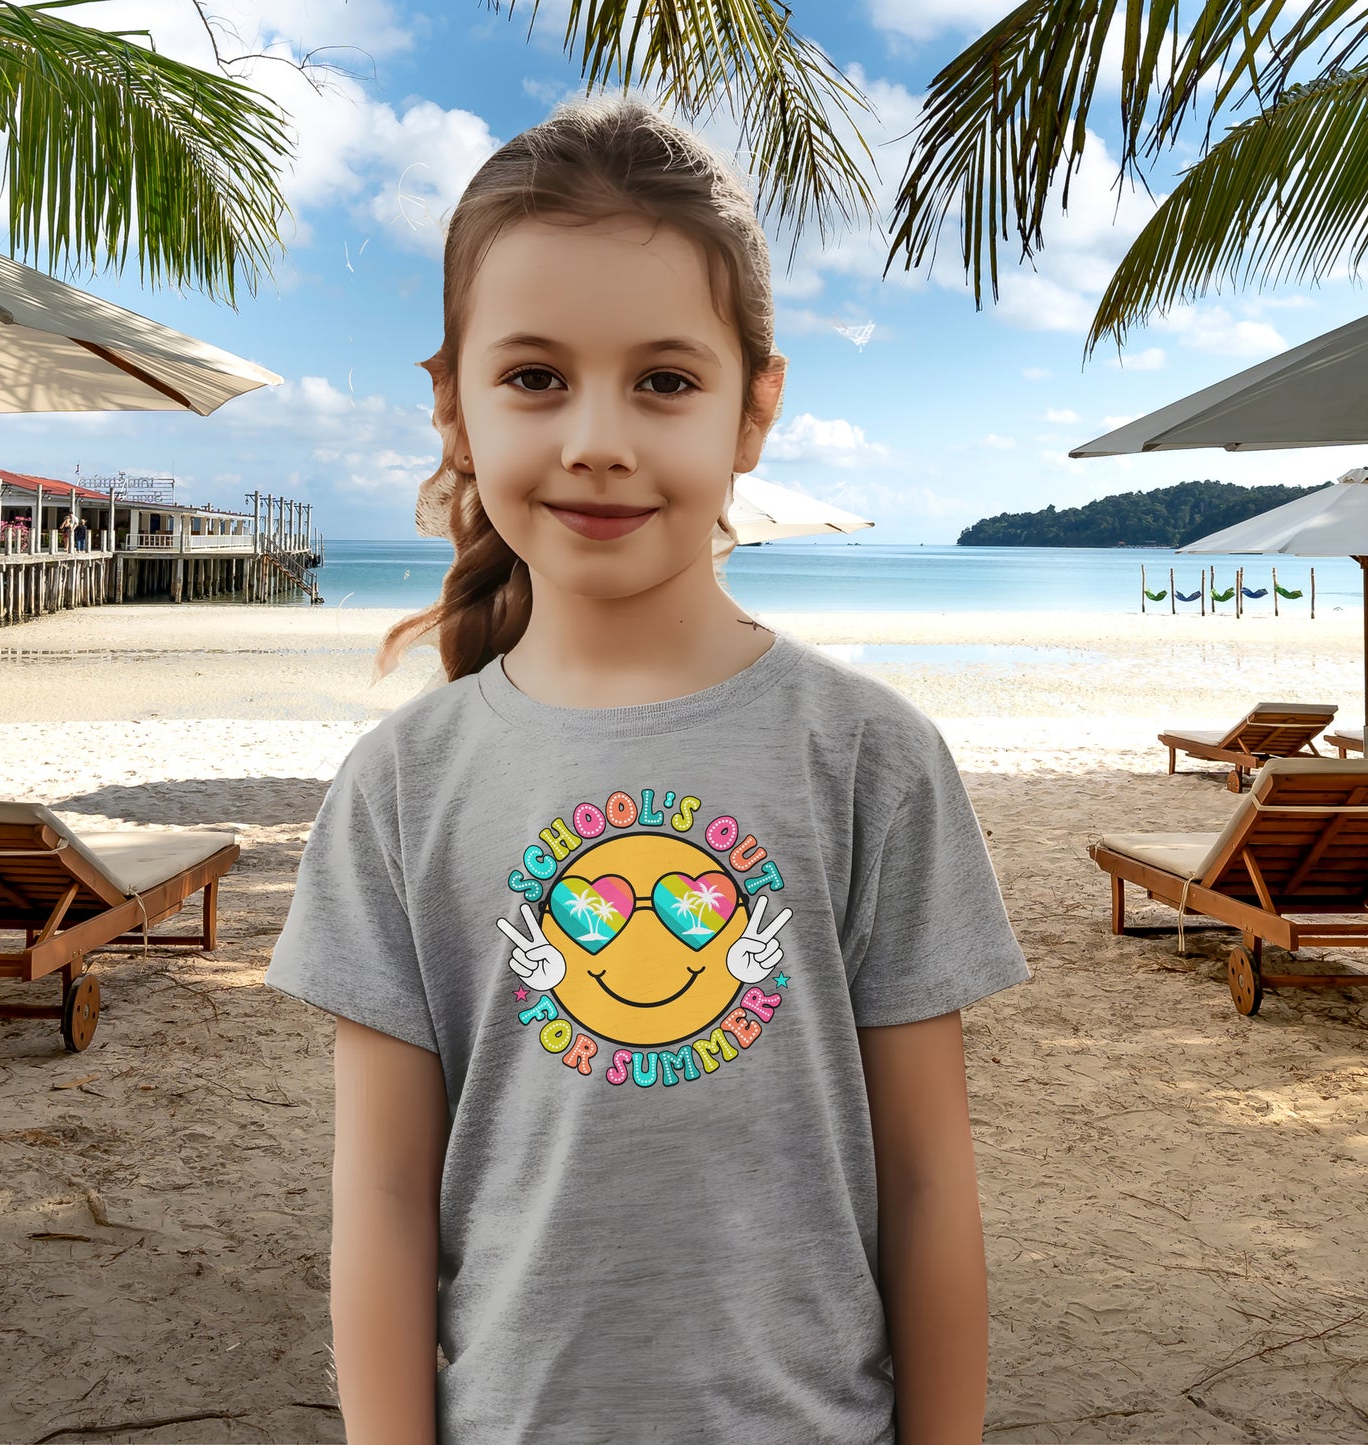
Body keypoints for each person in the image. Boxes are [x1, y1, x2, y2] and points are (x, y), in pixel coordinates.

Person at [266, 95, 1030, 1445]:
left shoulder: (870, 759)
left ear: (754, 408)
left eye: (664, 380)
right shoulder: (400, 790)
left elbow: (923, 1179)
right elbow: (381, 1198)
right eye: (535, 376)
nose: (599, 437)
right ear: (452, 403)